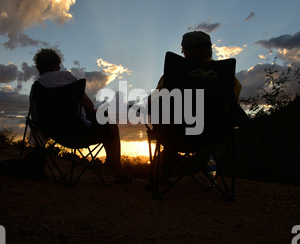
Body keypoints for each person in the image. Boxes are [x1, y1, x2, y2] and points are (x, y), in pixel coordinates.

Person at [151, 30, 246, 182]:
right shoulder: (226, 75)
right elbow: (232, 102)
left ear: (185, 51)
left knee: (167, 125)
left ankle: (164, 174)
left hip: (175, 134)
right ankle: (211, 175)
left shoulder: (174, 72)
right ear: (210, 50)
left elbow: (155, 101)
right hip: (213, 135)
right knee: (206, 137)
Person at [28, 48, 129, 183]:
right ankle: (118, 171)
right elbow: (89, 105)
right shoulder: (65, 77)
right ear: (56, 66)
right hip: (77, 132)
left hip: (54, 133)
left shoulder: (36, 87)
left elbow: (36, 118)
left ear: (39, 67)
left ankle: (112, 164)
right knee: (109, 123)